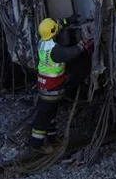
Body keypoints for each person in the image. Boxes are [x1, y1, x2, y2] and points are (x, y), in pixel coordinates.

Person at [25, 16, 92, 155]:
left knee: (50, 115)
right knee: (43, 118)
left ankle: (52, 139)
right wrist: (83, 44)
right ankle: (35, 144)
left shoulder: (43, 42)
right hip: (52, 89)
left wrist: (68, 21)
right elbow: (72, 53)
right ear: (53, 32)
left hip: (44, 86)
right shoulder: (55, 51)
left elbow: (57, 25)